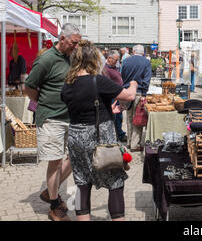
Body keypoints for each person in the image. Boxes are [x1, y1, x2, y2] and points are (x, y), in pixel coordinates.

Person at [61, 40, 137, 221]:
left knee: (81, 184)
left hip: (76, 138)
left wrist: (105, 110)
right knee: (115, 182)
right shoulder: (98, 81)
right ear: (94, 59)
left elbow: (81, 108)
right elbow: (129, 96)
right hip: (100, 139)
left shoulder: (68, 84)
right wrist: (133, 83)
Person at [24, 23, 82, 221]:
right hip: (51, 119)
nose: (76, 46)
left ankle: (51, 192)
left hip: (70, 117)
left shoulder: (72, 57)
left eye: (78, 43)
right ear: (62, 39)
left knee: (75, 158)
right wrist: (45, 101)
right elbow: (29, 87)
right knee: (55, 162)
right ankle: (55, 205)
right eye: (73, 43)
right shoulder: (46, 59)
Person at [121, 44, 152, 152]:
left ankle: (130, 142)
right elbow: (147, 79)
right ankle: (135, 144)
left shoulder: (125, 61)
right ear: (142, 53)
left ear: (133, 52)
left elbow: (122, 76)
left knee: (129, 118)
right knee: (137, 118)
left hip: (126, 91)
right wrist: (144, 93)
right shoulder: (146, 62)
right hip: (138, 92)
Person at [102, 50, 127, 142]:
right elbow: (108, 84)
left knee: (119, 117)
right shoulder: (105, 69)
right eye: (115, 60)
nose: (117, 62)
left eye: (117, 60)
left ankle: (119, 134)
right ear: (109, 58)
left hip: (118, 96)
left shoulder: (114, 68)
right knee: (114, 117)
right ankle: (116, 136)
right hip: (113, 97)